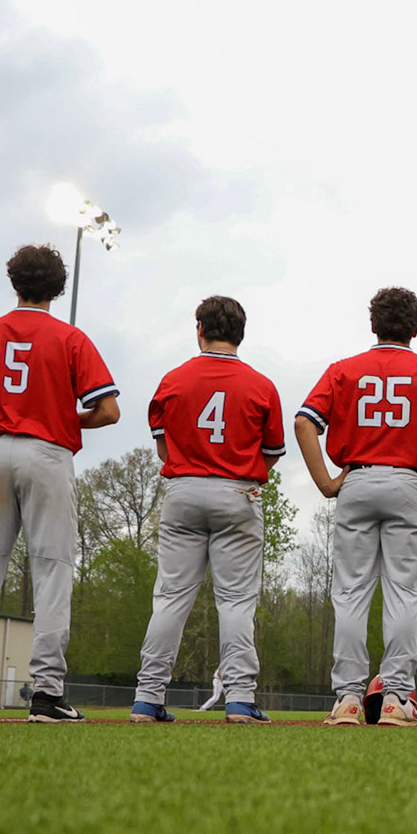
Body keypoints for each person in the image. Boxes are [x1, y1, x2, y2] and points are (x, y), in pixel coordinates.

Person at [0, 245, 118, 722]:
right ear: (58, 287)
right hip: (48, 452)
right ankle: (46, 694)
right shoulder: (70, 338)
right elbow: (108, 410)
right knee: (52, 570)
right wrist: (60, 416)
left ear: (13, 281)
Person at [298, 287, 417, 728]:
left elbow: (304, 421)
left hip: (356, 478)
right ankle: (395, 697)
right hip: (407, 482)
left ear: (373, 325)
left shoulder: (343, 369)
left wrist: (325, 481)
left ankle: (349, 700)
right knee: (404, 595)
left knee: (351, 594)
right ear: (415, 328)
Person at [130, 296, 286, 726]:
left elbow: (163, 446)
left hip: (182, 489)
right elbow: (271, 453)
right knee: (235, 602)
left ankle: (147, 698)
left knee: (170, 598)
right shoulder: (261, 384)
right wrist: (239, 476)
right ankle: (238, 700)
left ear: (199, 328)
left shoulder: (172, 380)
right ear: (241, 332)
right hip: (237, 491)